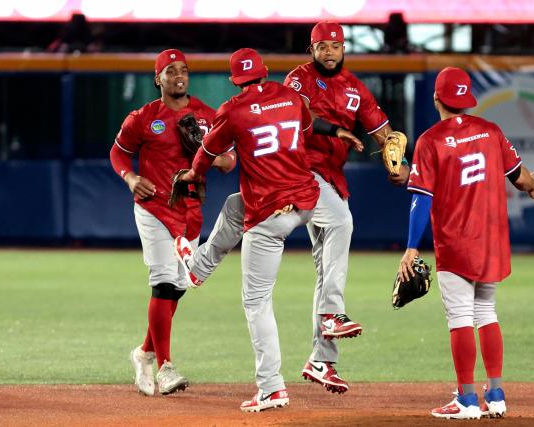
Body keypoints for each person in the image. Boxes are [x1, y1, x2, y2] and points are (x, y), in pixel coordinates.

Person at [176, 20, 409, 395]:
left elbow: (383, 135)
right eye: (322, 45)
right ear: (310, 49)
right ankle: (330, 317)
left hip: (321, 178)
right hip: (303, 172)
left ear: (344, 48)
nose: (329, 50)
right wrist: (334, 131)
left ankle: (322, 360)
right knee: (341, 225)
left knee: (247, 211)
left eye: (335, 45)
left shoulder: (355, 90)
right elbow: (289, 115)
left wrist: (400, 166)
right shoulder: (296, 82)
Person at [175, 48, 320, 412]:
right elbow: (306, 128)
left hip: (270, 214)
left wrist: (193, 174)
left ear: (234, 80)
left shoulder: (234, 109)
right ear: (265, 72)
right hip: (305, 201)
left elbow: (207, 152)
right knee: (233, 207)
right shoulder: (289, 95)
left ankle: (271, 387)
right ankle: (199, 267)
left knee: (256, 301)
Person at [398, 67, 534, 419]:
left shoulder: (431, 140)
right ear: (467, 100)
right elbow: (520, 178)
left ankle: (465, 400)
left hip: (457, 240)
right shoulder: (491, 132)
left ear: (436, 98)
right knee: (487, 313)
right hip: (492, 240)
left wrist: (412, 246)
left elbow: (422, 199)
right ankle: (495, 394)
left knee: (460, 317)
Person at [109, 48, 235, 397]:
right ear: (158, 79)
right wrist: (131, 179)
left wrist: (224, 159)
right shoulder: (144, 117)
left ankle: (144, 353)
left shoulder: (208, 116)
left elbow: (230, 157)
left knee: (179, 286)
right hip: (152, 206)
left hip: (190, 208)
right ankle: (165, 366)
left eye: (184, 70)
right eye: (170, 71)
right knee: (164, 281)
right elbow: (118, 151)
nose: (179, 76)